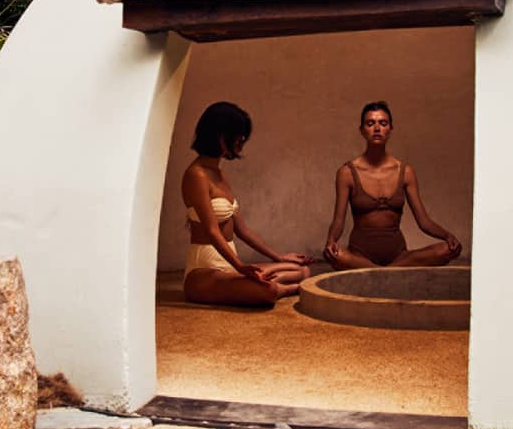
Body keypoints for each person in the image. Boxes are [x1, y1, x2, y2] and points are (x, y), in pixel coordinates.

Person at [181, 102, 314, 305]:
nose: (240, 142)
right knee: (267, 292)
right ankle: (283, 288)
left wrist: (278, 257)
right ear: (219, 135)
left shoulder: (219, 173)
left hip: (230, 267)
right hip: (204, 272)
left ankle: (268, 283)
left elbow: (242, 230)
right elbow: (211, 230)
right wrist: (242, 267)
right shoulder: (195, 175)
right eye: (238, 136)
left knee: (301, 270)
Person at [324, 101, 462, 269]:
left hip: (399, 255)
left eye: (383, 123)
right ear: (362, 130)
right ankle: (390, 273)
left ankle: (377, 273)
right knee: (335, 255)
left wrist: (447, 236)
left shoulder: (405, 171)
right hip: (359, 255)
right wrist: (331, 241)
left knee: (446, 249)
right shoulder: (346, 173)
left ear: (390, 129)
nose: (377, 128)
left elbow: (423, 221)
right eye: (370, 123)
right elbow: (338, 221)